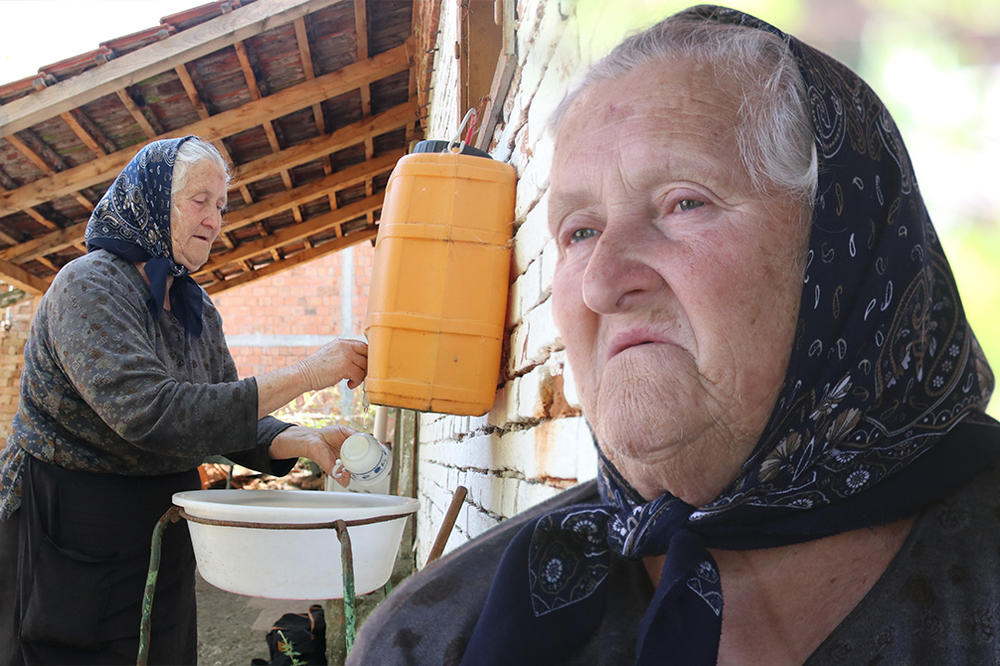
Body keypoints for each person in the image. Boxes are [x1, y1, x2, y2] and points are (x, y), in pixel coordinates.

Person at [347, 5, 1000, 665]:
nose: (603, 284)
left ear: (844, 247)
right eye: (580, 231)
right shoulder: (432, 638)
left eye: (685, 202)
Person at [0, 136, 368, 665]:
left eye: (221, 206)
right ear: (151, 199)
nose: (214, 221)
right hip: (73, 518)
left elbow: (220, 414)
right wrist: (307, 373)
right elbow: (154, 414)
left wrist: (302, 439)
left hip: (160, 515)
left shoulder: (193, 305)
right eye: (200, 200)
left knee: (161, 650)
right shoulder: (88, 286)